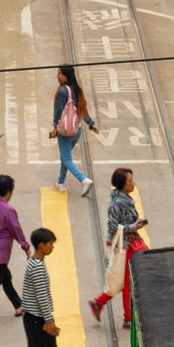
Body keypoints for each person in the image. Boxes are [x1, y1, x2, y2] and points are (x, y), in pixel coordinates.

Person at [0, 228, 65, 347]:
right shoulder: (37, 268)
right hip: (37, 320)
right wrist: (49, 320)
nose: (52, 247)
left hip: (38, 317)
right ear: (41, 245)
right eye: (50, 244)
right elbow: (41, 296)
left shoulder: (37, 264)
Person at [88, 169, 146, 324]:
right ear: (122, 184)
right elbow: (113, 227)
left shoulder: (126, 199)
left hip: (132, 242)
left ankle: (99, 303)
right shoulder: (117, 203)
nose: (133, 183)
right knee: (127, 280)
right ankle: (128, 317)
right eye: (130, 180)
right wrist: (133, 226)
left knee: (127, 278)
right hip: (123, 245)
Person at [51, 66, 92, 194]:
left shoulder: (63, 91)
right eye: (58, 74)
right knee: (65, 157)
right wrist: (90, 123)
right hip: (76, 130)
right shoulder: (76, 89)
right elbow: (82, 109)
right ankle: (60, 182)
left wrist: (55, 127)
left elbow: (58, 111)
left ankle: (83, 180)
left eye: (61, 74)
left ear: (67, 76)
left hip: (65, 131)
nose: (58, 76)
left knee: (67, 159)